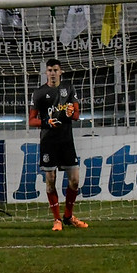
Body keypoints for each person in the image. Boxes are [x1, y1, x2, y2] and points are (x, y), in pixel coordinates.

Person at [29, 58, 88, 231]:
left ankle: (68, 216)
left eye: (55, 70)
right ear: (46, 73)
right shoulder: (39, 93)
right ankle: (57, 220)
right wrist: (47, 123)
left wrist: (71, 113)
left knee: (75, 181)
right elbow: (31, 120)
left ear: (60, 72)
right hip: (48, 142)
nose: (53, 73)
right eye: (49, 70)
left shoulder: (68, 88)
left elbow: (76, 115)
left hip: (66, 140)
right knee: (50, 181)